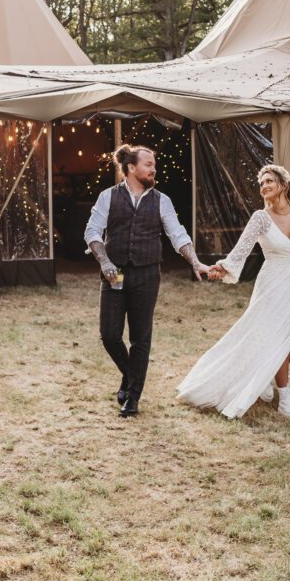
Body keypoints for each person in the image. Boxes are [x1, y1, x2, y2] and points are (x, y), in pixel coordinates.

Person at [177, 164, 290, 420]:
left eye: (269, 181)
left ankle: (267, 374)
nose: (263, 187)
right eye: (261, 184)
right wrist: (223, 267)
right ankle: (284, 397)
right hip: (271, 284)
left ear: (283, 185)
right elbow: (241, 249)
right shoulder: (260, 218)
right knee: (278, 339)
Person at [86, 143, 210, 417]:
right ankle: (131, 375)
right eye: (148, 164)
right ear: (131, 168)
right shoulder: (108, 197)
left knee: (140, 338)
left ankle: (133, 396)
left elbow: (177, 235)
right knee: (109, 335)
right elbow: (93, 231)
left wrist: (195, 261)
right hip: (115, 272)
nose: (154, 169)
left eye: (154, 164)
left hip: (146, 274)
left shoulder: (161, 201)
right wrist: (105, 262)